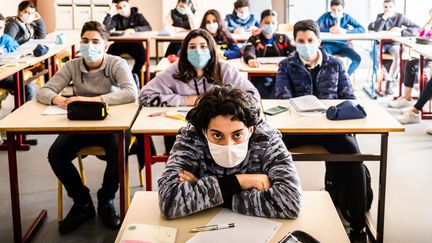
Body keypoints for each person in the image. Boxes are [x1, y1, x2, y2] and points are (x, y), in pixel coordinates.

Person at [36, 21, 138, 234]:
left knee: (118, 151)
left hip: (111, 123)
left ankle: (106, 200)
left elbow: (131, 92)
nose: (89, 45)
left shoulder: (116, 63)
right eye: (85, 41)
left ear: (105, 46)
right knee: (56, 154)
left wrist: (96, 100)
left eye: (95, 42)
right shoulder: (72, 66)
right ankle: (82, 203)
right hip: (81, 125)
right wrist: (58, 99)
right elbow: (43, 90)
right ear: (79, 43)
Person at [275, 19, 368, 243]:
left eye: (310, 40)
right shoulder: (286, 65)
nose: (305, 44)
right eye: (300, 41)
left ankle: (358, 226)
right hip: (296, 130)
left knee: (354, 156)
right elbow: (281, 98)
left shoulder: (335, 64)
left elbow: (349, 98)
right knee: (269, 152)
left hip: (331, 130)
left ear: (319, 40)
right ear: (294, 42)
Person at [157, 85, 302, 219]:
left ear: (250, 130)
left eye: (237, 135)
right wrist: (241, 182)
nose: (228, 144)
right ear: (204, 131)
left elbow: (291, 202)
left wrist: (207, 195)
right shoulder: (191, 138)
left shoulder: (266, 139)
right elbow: (168, 202)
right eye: (217, 135)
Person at [138, 28, 259, 158]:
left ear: (211, 49)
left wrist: (224, 105)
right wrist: (186, 100)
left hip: (219, 130)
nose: (198, 51)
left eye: (203, 46)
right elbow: (144, 96)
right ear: (185, 51)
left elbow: (252, 95)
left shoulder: (224, 69)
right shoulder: (175, 70)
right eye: (192, 47)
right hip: (181, 129)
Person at [368, 0, 419, 95]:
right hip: (382, 44)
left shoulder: (400, 17)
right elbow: (376, 29)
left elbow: (416, 28)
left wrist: (402, 30)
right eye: (385, 7)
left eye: (390, 7)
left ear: (394, 7)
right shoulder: (380, 16)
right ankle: (388, 78)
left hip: (394, 44)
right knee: (373, 53)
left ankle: (390, 81)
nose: (388, 9)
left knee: (397, 56)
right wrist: (384, 18)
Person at [243, 9, 295, 99]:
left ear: (277, 23)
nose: (270, 25)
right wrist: (251, 59)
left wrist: (287, 60)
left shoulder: (283, 38)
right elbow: (249, 50)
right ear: (261, 22)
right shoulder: (254, 39)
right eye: (267, 22)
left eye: (273, 23)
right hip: (260, 74)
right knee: (265, 86)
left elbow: (293, 51)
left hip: (280, 72)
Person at [388, 8, 432, 108]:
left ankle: (420, 105)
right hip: (426, 55)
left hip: (429, 58)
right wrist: (428, 23)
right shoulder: (429, 25)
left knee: (420, 70)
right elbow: (421, 34)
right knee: (410, 64)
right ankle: (407, 98)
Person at [103, 0, 152, 84]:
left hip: (135, 44)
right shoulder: (116, 18)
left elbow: (148, 27)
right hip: (120, 44)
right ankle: (112, 78)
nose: (122, 9)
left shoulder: (138, 16)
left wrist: (134, 29)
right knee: (107, 55)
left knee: (142, 57)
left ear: (129, 5)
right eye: (119, 7)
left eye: (124, 6)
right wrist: (109, 13)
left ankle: (134, 75)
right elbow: (105, 28)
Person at [316, 0, 365, 76]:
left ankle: (346, 77)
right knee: (325, 60)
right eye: (333, 10)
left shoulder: (346, 17)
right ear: (330, 8)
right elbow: (315, 28)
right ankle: (329, 79)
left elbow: (361, 29)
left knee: (357, 59)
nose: (336, 12)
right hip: (328, 45)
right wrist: (328, 30)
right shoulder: (325, 16)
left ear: (343, 8)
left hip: (342, 45)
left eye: (339, 10)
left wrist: (346, 31)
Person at [0, 13, 20, 106]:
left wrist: (4, 50)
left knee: (28, 88)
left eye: (1, 28)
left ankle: (18, 117)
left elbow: (15, 46)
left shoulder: (4, 38)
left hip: (4, 75)